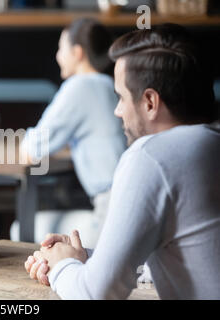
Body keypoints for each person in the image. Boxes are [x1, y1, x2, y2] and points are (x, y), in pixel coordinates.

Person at [24, 24, 220, 299]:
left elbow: (95, 294)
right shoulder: (210, 142)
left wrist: (60, 266)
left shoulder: (151, 156)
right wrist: (81, 259)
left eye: (121, 97)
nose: (117, 111)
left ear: (150, 102)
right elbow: (177, 258)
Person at [12, 18, 126, 247]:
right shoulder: (108, 84)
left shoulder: (80, 86)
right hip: (126, 204)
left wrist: (28, 140)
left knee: (18, 228)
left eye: (61, 49)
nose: (57, 56)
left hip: (110, 216)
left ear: (77, 52)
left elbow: (34, 148)